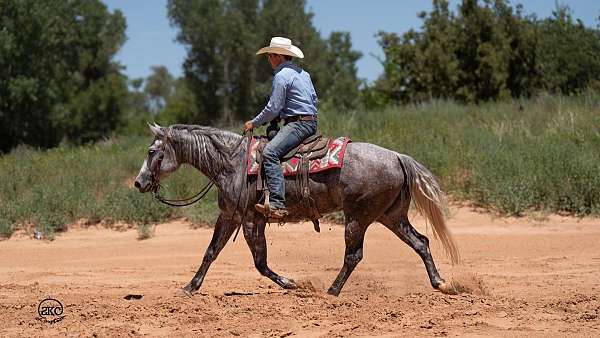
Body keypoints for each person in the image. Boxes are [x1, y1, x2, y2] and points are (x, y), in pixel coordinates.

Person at [244, 37, 318, 219]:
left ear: (278, 56)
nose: (268, 59)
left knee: (269, 153)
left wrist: (253, 122)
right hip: (310, 122)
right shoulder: (304, 73)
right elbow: (314, 99)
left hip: (298, 124)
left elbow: (273, 107)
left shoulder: (281, 75)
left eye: (269, 56)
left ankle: (277, 203)